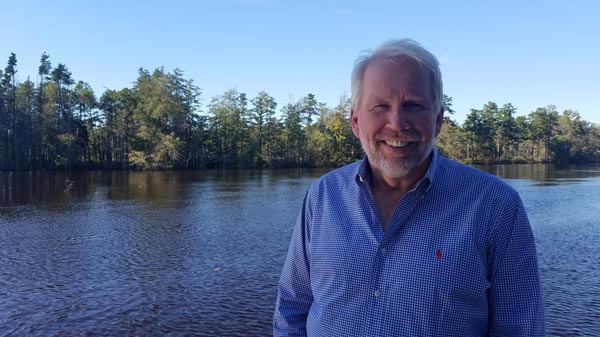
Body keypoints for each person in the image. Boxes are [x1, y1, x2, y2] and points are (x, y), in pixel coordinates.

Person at [273, 38, 545, 336]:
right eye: (380, 106)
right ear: (355, 121)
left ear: (438, 119)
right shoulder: (322, 196)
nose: (397, 123)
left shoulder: (496, 206)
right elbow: (292, 308)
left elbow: (520, 328)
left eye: (413, 105)